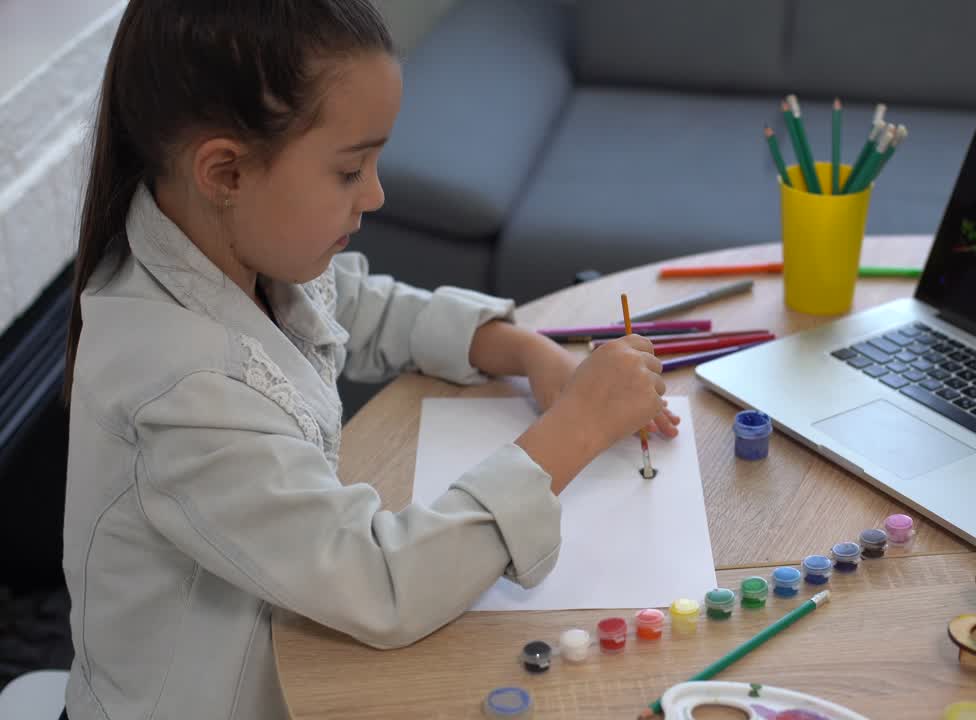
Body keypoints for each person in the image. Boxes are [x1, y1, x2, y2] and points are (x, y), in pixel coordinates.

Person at [60, 2, 677, 718]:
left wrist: (526, 352)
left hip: (298, 660)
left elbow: (356, 302)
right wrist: (576, 429)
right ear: (224, 171)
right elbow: (383, 581)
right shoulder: (182, 387)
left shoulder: (230, 244)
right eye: (350, 169)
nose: (376, 194)